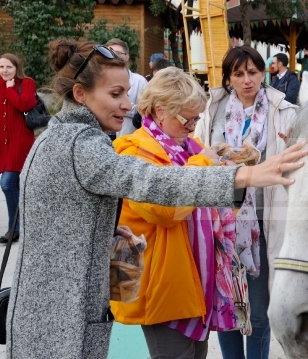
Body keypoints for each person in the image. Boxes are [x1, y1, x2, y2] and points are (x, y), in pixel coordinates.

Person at [6, 39, 307, 359]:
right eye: (115, 94)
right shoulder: (84, 144)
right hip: (73, 312)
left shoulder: (73, 137)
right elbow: (156, 187)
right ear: (81, 94)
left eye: (126, 92)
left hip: (97, 301)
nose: (127, 105)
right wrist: (243, 175)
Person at [111, 67, 238, 359]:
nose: (193, 126)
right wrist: (205, 165)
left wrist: (229, 168)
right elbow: (164, 210)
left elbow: (212, 198)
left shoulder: (189, 148)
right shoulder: (133, 150)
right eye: (187, 118)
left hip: (194, 281)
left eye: (197, 118)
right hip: (161, 285)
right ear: (159, 111)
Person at [194, 45, 298, 359]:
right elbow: (195, 157)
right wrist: (218, 157)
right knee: (225, 307)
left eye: (252, 72)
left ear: (263, 73)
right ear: (228, 77)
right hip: (220, 226)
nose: (246, 80)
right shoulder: (211, 111)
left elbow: (295, 166)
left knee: (259, 311)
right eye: (238, 74)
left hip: (265, 226)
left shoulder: (284, 112)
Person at [0, 53, 37, 244]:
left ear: (16, 68)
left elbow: (26, 104)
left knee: (7, 184)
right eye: (1, 67)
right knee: (15, 186)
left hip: (20, 143)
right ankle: (22, 226)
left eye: (8, 67)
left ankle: (15, 228)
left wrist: (10, 89)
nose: (4, 71)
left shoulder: (27, 83)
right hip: (3, 144)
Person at [106, 38, 147, 137]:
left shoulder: (140, 82)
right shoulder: (97, 81)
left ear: (127, 56)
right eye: (108, 52)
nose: (113, 56)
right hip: (102, 137)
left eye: (117, 53)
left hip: (126, 137)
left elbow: (145, 111)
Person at [132, 58, 174, 130]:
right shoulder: (149, 96)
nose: (158, 81)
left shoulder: (178, 98)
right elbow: (136, 122)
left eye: (162, 78)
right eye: (155, 78)